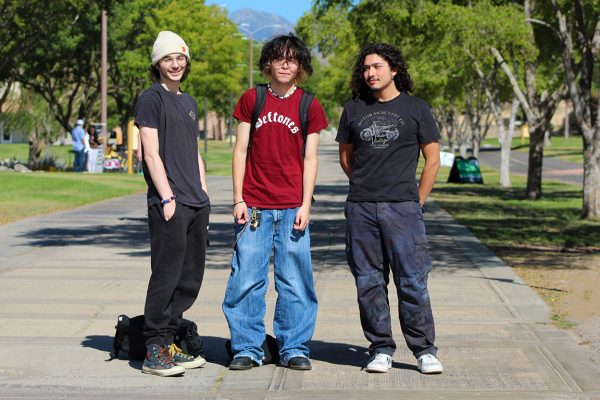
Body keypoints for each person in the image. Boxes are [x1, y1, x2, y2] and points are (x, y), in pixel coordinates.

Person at [222, 34, 328, 371]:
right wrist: (238, 198)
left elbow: (310, 158)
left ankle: (293, 347)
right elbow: (240, 151)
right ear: (269, 63)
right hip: (254, 205)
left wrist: (306, 204)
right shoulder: (252, 99)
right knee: (246, 278)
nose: (285, 64)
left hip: (292, 206)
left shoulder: (309, 105)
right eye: (279, 58)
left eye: (292, 59)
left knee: (295, 280)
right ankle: (247, 348)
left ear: (300, 66)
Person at [336, 43, 443, 374]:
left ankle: (424, 349)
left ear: (394, 69)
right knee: (368, 281)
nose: (370, 73)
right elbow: (346, 157)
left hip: (404, 209)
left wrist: (417, 200)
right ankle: (380, 347)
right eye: (366, 68)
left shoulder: (417, 109)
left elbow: (433, 159)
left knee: (412, 280)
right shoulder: (353, 110)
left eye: (377, 66)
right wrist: (367, 186)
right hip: (361, 209)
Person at [134, 30, 210, 377]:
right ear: (158, 63)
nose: (175, 64)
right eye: (168, 59)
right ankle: (154, 347)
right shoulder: (152, 99)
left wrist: (205, 194)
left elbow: (193, 152)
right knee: (166, 275)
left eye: (180, 58)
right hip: (171, 201)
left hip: (196, 202)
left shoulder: (189, 102)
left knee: (190, 277)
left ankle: (171, 339)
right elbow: (149, 152)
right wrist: (166, 196)